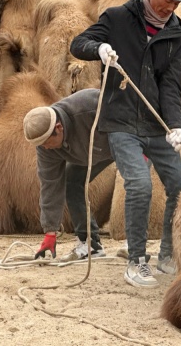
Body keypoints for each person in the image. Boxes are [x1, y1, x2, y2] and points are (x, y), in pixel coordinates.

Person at [70, 0, 181, 288]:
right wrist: (99, 48)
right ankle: (137, 261)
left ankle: (168, 253)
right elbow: (78, 44)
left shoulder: (176, 32)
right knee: (139, 185)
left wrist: (175, 125)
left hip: (156, 125)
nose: (171, 8)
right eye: (167, 1)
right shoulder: (117, 18)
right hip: (120, 122)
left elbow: (170, 84)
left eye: (176, 4)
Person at [24, 88, 115, 261]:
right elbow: (50, 185)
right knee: (72, 183)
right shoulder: (45, 147)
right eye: (40, 145)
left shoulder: (89, 106)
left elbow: (127, 110)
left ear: (58, 128)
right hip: (94, 150)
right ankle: (90, 245)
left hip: (125, 138)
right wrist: (50, 232)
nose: (45, 149)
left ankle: (135, 247)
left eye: (46, 143)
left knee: (135, 181)